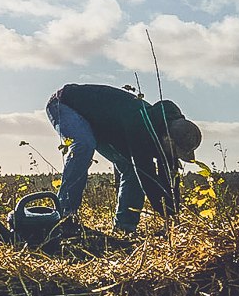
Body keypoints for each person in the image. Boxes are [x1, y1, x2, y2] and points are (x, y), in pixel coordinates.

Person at [46, 83, 203, 234]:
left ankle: (124, 228)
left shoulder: (166, 130)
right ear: (168, 140)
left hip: (102, 124)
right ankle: (64, 217)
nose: (176, 156)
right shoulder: (139, 124)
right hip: (65, 103)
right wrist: (166, 214)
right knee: (83, 145)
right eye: (177, 151)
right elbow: (145, 172)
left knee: (130, 169)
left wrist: (173, 213)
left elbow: (169, 176)